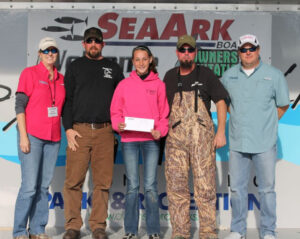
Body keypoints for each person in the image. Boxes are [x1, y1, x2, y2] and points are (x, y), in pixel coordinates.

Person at [221, 34, 290, 239]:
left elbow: (283, 104)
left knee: (267, 190)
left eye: (252, 49)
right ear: (239, 53)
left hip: (265, 143)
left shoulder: (274, 75)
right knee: (237, 190)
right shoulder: (229, 75)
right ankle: (237, 230)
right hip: (238, 141)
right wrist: (240, 118)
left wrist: (266, 121)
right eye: (244, 49)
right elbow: (223, 103)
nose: (248, 52)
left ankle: (269, 231)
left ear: (259, 51)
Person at [163, 35, 228, 239]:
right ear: (177, 53)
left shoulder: (206, 74)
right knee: (176, 187)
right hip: (176, 142)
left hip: (202, 140)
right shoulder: (169, 77)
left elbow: (221, 102)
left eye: (190, 50)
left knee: (205, 187)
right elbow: (162, 108)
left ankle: (208, 231)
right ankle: (180, 232)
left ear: (195, 52)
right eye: (183, 50)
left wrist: (221, 132)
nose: (186, 54)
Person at [62, 27, 124, 239]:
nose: (93, 44)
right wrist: (68, 128)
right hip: (78, 131)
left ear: (103, 44)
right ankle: (72, 226)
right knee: (73, 181)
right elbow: (67, 100)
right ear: (83, 44)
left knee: (103, 183)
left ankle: (98, 226)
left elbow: (124, 99)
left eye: (97, 41)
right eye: (89, 41)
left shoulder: (113, 68)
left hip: (105, 132)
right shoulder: (75, 66)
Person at [110, 45, 169, 239]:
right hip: (129, 140)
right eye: (137, 59)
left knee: (151, 185)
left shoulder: (159, 85)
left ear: (150, 60)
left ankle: (153, 230)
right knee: (133, 186)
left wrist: (160, 131)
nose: (141, 63)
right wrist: (119, 125)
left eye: (145, 59)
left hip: (151, 141)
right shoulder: (124, 85)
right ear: (133, 62)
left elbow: (164, 114)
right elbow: (115, 111)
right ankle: (131, 230)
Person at [13, 37, 65, 239]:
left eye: (53, 50)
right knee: (29, 187)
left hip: (53, 138)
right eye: (46, 50)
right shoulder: (30, 73)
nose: (50, 53)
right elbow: (19, 106)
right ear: (39, 54)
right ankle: (19, 231)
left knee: (43, 186)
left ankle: (37, 229)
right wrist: (23, 137)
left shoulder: (61, 78)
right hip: (32, 136)